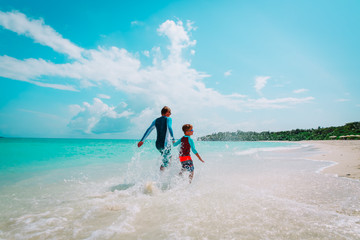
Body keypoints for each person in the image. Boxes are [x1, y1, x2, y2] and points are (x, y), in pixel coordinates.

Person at [138, 106, 175, 171]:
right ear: (167, 112)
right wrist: (173, 139)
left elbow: (149, 129)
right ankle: (162, 176)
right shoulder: (168, 119)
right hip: (165, 144)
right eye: (170, 112)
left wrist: (142, 141)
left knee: (167, 158)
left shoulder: (156, 120)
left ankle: (164, 174)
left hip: (158, 145)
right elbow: (169, 127)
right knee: (167, 160)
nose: (170, 114)